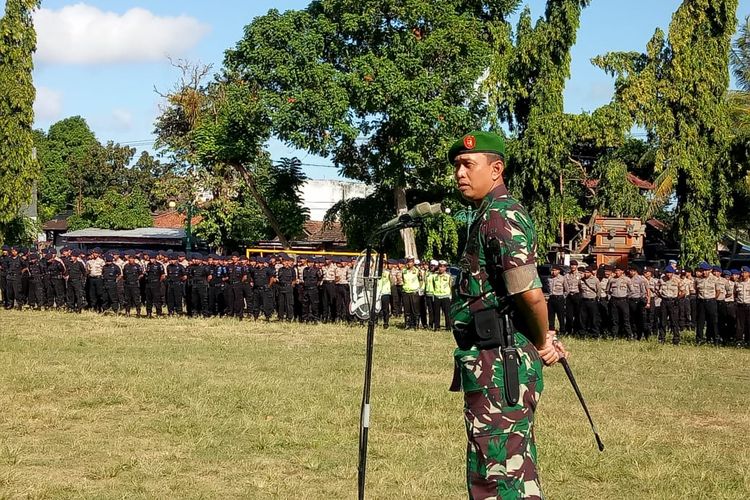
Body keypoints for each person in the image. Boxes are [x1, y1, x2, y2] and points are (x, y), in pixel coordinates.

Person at [448, 131, 567, 498]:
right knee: (493, 469)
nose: (459, 174)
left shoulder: (501, 216)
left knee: (503, 472)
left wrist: (543, 338)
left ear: (496, 169)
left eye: (468, 165)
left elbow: (528, 294)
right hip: (488, 360)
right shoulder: (485, 215)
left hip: (502, 363)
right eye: (456, 166)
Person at [656, 265, 681, 344]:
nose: (668, 274)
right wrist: (661, 296)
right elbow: (656, 289)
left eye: (670, 273)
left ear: (673, 273)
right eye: (667, 273)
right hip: (664, 301)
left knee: (674, 321)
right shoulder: (661, 280)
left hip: (673, 301)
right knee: (663, 321)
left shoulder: (677, 280)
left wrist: (677, 298)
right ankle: (661, 338)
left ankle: (676, 339)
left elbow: (683, 291)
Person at [607, 266, 632, 339]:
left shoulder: (627, 279)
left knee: (625, 319)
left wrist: (626, 297)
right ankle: (614, 336)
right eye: (616, 270)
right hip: (614, 301)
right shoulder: (611, 280)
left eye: (618, 270)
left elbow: (631, 290)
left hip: (623, 301)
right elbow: (607, 290)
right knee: (615, 319)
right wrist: (610, 298)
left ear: (622, 271)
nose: (617, 272)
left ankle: (629, 336)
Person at [432, 261, 452, 331]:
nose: (441, 268)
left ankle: (448, 327)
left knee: (447, 313)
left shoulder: (448, 276)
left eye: (443, 267)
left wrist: (450, 296)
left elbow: (450, 286)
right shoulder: (434, 276)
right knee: (436, 313)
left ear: (445, 268)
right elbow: (433, 286)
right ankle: (437, 327)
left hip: (445, 296)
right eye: (440, 266)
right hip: (437, 296)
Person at [563, 260, 581, 335]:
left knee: (578, 314)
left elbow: (581, 286)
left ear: (577, 266)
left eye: (574, 265)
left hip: (577, 295)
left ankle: (576, 330)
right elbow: (565, 286)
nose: (572, 267)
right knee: (569, 314)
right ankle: (568, 330)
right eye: (571, 265)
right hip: (569, 296)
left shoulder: (580, 275)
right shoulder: (566, 275)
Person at [546, 265, 565, 332]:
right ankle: (551, 330)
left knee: (561, 316)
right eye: (552, 270)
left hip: (559, 298)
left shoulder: (563, 278)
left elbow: (566, 289)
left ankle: (562, 330)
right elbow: (547, 289)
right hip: (551, 298)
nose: (553, 272)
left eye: (555, 270)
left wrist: (563, 297)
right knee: (550, 316)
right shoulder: (549, 278)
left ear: (559, 271)